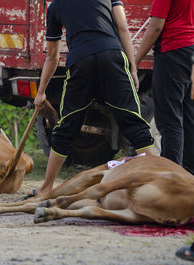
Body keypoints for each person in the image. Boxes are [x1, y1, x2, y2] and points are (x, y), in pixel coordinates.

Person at [27, 0, 156, 197]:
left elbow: (52, 56)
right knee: (133, 121)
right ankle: (158, 179)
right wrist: (132, 66)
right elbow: (122, 27)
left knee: (67, 126)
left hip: (81, 59)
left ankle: (46, 187)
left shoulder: (55, 7)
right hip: (112, 55)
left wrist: (42, 91)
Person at [135, 0, 194, 174]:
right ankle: (189, 176)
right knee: (189, 117)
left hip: (173, 51)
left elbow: (155, 27)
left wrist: (135, 61)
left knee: (170, 119)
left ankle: (171, 177)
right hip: (190, 51)